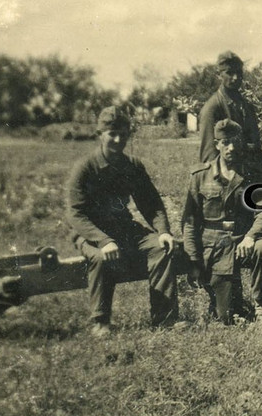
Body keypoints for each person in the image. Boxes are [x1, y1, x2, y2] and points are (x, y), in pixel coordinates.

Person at [66, 106, 182, 336]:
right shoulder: (85, 168)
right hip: (91, 233)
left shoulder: (132, 167)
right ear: (100, 134)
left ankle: (165, 318)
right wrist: (103, 240)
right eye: (112, 134)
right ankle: (100, 322)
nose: (118, 140)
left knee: (161, 247)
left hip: (125, 230)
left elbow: (152, 203)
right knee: (101, 258)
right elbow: (75, 214)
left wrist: (163, 231)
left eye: (123, 134)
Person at [182, 119, 262, 335]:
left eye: (235, 141)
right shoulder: (200, 177)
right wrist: (193, 258)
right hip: (214, 248)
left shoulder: (252, 176)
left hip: (243, 240)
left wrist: (251, 236)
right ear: (217, 144)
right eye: (225, 142)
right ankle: (227, 305)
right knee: (227, 317)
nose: (231, 147)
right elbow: (190, 223)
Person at [197, 51, 262, 183]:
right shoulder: (212, 108)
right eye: (229, 73)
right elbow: (209, 155)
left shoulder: (246, 106)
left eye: (239, 73)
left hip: (249, 178)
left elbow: (256, 148)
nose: (235, 78)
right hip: (225, 181)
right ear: (219, 75)